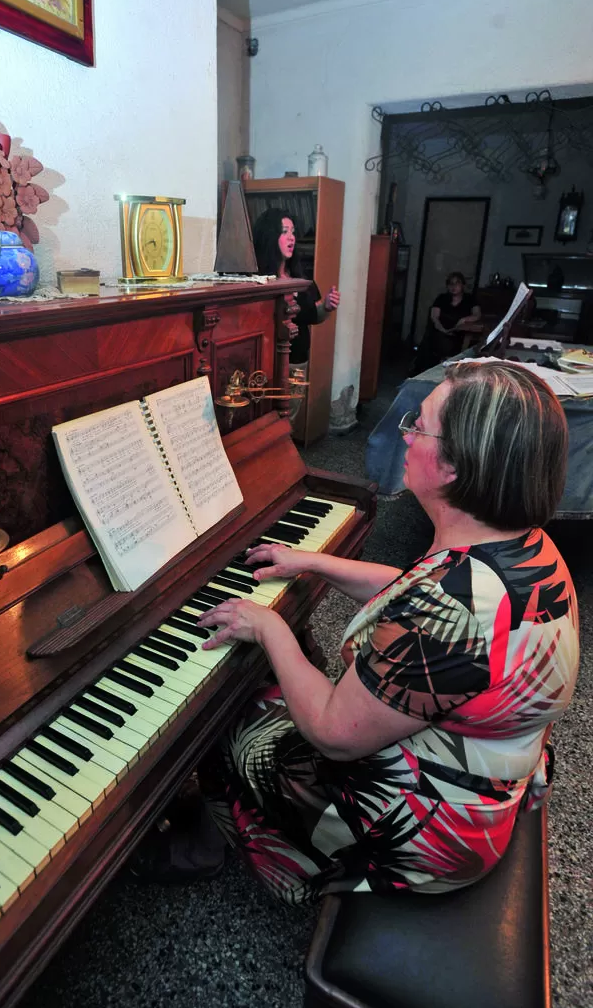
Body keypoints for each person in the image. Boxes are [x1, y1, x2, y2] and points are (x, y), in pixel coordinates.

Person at [188, 361, 579, 905]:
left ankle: (209, 841)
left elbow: (332, 732)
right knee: (268, 688)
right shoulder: (520, 547)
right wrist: (315, 562)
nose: (407, 436)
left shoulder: (452, 603)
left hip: (427, 827)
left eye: (418, 426)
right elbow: (413, 591)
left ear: (453, 467)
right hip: (485, 778)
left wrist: (270, 626)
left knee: (216, 722)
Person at [252, 207, 339, 371]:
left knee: (297, 396)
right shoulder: (258, 281)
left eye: (293, 232)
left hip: (298, 361)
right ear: (270, 237)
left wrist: (326, 307)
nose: (291, 238)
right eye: (285, 232)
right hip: (267, 363)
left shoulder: (299, 277)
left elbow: (311, 315)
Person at [412, 272, 481, 373]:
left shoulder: (469, 299)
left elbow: (477, 314)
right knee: (433, 340)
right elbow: (434, 317)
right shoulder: (442, 298)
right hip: (440, 331)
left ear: (463, 285)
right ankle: (423, 370)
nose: (453, 286)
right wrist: (443, 330)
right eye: (450, 283)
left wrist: (463, 320)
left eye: (457, 283)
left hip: (459, 333)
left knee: (455, 344)